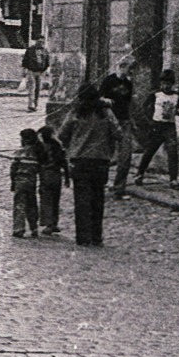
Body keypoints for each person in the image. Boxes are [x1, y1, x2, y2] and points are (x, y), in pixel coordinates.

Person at [56, 84, 120, 247]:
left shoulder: (76, 113)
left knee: (81, 200)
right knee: (98, 199)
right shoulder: (106, 113)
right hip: (101, 160)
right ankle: (96, 236)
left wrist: (73, 143)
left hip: (80, 161)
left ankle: (83, 237)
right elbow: (118, 133)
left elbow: (62, 134)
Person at [134, 68, 179, 186]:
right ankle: (139, 174)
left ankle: (173, 179)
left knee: (173, 151)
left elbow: (177, 109)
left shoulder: (176, 96)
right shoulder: (156, 94)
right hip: (157, 126)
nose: (166, 86)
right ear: (161, 83)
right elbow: (144, 107)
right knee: (150, 150)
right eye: (164, 83)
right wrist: (149, 121)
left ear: (172, 84)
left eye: (169, 84)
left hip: (170, 127)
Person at [98, 57, 135, 199]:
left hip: (124, 121)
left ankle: (119, 189)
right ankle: (100, 185)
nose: (130, 72)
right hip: (108, 121)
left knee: (126, 154)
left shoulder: (129, 84)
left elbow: (128, 103)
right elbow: (98, 98)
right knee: (105, 154)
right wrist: (104, 100)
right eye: (129, 69)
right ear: (122, 67)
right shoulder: (109, 81)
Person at [35, 124, 69, 238]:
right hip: (57, 175)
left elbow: (38, 164)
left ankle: (48, 224)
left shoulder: (41, 148)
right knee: (56, 199)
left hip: (46, 175)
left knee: (46, 200)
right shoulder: (58, 147)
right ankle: (54, 223)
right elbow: (64, 163)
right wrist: (67, 178)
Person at [10, 128, 42, 239]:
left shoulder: (19, 153)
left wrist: (12, 182)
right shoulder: (38, 153)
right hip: (31, 182)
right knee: (32, 204)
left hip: (20, 181)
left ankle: (19, 228)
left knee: (19, 204)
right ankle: (34, 227)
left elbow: (13, 169)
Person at [21, 37, 51, 112]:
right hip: (31, 71)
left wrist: (45, 70)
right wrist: (24, 71)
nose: (41, 43)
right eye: (39, 41)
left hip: (40, 72)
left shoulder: (45, 51)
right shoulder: (30, 50)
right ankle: (30, 105)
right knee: (32, 88)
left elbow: (47, 61)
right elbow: (25, 61)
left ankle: (35, 105)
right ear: (36, 41)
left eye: (42, 42)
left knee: (38, 89)